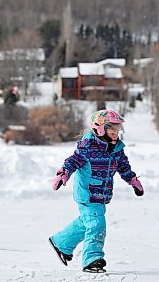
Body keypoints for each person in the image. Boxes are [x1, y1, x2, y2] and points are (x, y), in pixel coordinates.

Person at [48, 109, 144, 273]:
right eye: (113, 129)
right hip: (87, 193)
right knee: (97, 224)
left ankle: (61, 243)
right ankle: (92, 259)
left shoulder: (116, 149)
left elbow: (123, 167)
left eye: (118, 130)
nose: (117, 133)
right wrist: (63, 173)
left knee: (87, 223)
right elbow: (73, 161)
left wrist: (133, 180)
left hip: (102, 194)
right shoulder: (88, 147)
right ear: (100, 129)